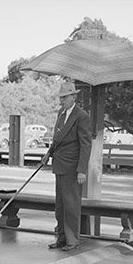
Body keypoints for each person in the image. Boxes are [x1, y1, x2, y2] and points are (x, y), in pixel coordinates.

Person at [47, 80, 92, 251]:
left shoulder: (82, 116)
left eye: (64, 97)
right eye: (60, 98)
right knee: (60, 205)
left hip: (73, 168)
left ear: (73, 97)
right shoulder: (61, 113)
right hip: (59, 164)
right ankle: (61, 237)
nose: (61, 101)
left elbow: (86, 145)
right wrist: (48, 154)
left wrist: (82, 170)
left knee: (71, 204)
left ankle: (72, 240)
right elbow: (57, 139)